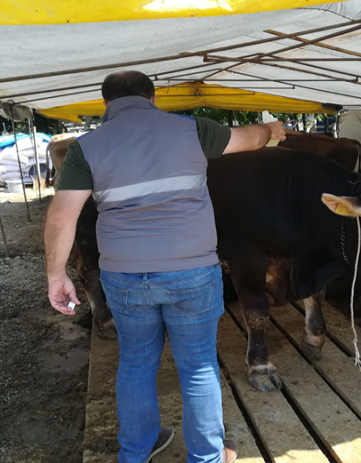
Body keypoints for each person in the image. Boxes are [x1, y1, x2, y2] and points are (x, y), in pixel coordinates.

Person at [44, 71, 285, 463]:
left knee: (136, 364)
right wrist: (271, 128)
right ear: (153, 98)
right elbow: (252, 139)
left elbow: (60, 218)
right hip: (191, 274)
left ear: (105, 105)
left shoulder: (85, 148)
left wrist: (57, 275)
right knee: (198, 366)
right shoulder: (192, 129)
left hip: (124, 278)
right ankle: (207, 457)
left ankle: (135, 453)